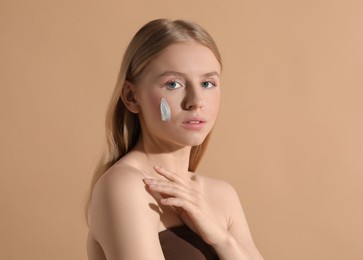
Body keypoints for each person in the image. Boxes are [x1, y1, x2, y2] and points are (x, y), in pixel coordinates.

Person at [86, 19, 264, 260]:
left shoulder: (222, 195)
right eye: (173, 84)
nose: (196, 101)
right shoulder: (125, 187)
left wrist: (222, 240)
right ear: (131, 96)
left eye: (207, 83)